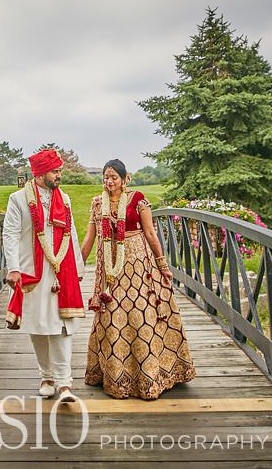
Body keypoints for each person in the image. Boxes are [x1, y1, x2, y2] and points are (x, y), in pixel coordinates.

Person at [81, 159, 196, 399]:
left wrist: (161, 263)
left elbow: (151, 232)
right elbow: (89, 238)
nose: (109, 181)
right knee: (112, 315)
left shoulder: (138, 200)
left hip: (137, 264)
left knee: (140, 314)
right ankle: (115, 375)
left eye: (114, 177)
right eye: (106, 177)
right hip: (109, 269)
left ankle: (150, 374)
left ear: (125, 179)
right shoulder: (97, 203)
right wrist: (76, 265)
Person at [3, 148, 86, 402]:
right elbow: (11, 234)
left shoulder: (66, 200)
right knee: (38, 325)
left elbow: (71, 234)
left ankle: (64, 383)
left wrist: (79, 268)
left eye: (60, 170)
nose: (59, 175)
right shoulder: (18, 199)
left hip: (62, 271)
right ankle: (46, 376)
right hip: (32, 273)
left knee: (62, 326)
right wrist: (13, 267)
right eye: (55, 171)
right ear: (40, 174)